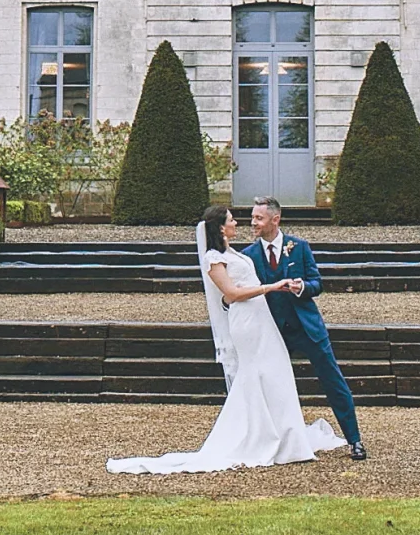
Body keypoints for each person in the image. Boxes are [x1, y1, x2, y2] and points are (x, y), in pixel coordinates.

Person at [107, 206, 346, 474]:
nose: (238, 223)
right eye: (232, 220)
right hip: (247, 322)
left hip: (262, 319)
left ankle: (284, 435)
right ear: (221, 227)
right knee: (256, 373)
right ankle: (258, 436)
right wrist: (272, 287)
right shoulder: (213, 258)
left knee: (276, 374)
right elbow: (231, 293)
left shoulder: (234, 253)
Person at [241, 196, 367, 460]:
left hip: (307, 328)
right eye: (253, 217)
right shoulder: (248, 256)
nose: (253, 223)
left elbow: (317, 283)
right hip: (272, 332)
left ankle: (355, 440)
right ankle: (272, 443)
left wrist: (302, 287)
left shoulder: (299, 247)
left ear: (275, 220)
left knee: (333, 381)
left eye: (258, 218)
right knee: (266, 385)